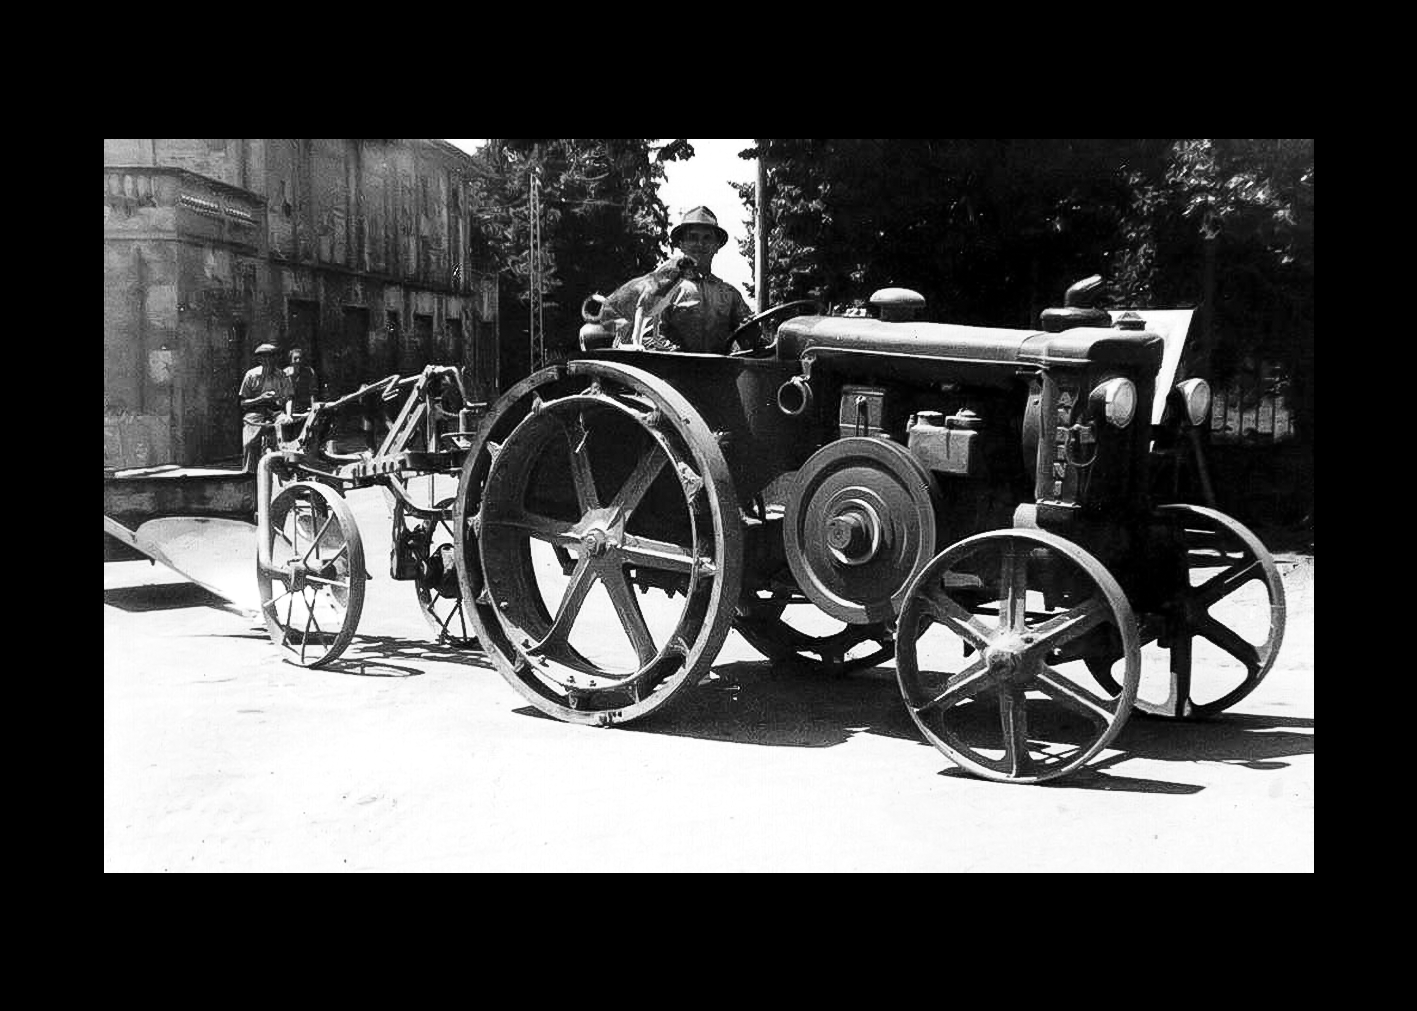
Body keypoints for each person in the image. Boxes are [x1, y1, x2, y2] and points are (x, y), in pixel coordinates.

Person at [599, 206, 754, 353]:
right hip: (669, 372)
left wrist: (757, 333)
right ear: (681, 244)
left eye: (707, 238)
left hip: (720, 374)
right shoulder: (662, 287)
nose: (700, 244)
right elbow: (646, 336)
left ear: (716, 246)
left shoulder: (729, 294)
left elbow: (752, 340)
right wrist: (676, 354)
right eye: (693, 238)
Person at [238, 343, 293, 472]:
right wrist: (261, 398)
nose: (269, 361)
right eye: (265, 358)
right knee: (250, 443)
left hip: (275, 410)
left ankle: (283, 472)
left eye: (272, 357)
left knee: (286, 431)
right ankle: (249, 473)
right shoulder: (251, 375)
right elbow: (243, 403)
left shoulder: (282, 375)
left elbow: (289, 397)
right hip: (255, 410)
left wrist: (288, 415)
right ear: (260, 360)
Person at [284, 348, 320, 415]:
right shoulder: (285, 373)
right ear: (290, 360)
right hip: (290, 408)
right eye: (295, 358)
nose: (298, 361)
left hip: (306, 407)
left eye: (300, 358)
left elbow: (313, 392)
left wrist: (313, 409)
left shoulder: (309, 372)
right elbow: (286, 395)